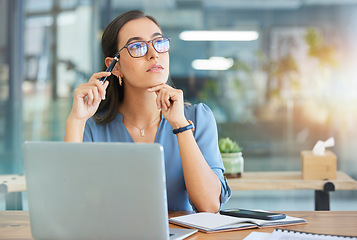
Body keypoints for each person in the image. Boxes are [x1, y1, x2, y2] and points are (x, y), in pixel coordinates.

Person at [64, 10, 231, 213]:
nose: (154, 54)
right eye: (137, 46)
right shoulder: (91, 128)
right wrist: (76, 120)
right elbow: (71, 205)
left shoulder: (197, 118)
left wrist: (180, 125)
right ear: (114, 67)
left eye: (158, 43)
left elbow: (210, 206)